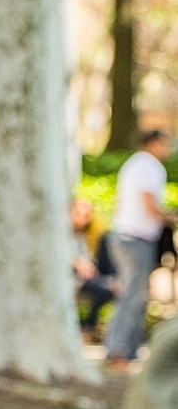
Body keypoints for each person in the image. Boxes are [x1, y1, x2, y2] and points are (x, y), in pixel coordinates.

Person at [104, 129, 175, 370]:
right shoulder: (148, 166)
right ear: (154, 143)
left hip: (126, 237)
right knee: (133, 296)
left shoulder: (135, 164)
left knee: (138, 295)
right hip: (135, 239)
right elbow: (149, 204)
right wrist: (169, 216)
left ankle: (130, 350)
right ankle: (117, 349)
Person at [70, 197, 117, 344]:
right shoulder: (62, 235)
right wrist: (77, 263)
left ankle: (88, 329)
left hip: (89, 278)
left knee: (108, 289)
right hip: (73, 279)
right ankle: (86, 329)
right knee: (103, 289)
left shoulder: (88, 236)